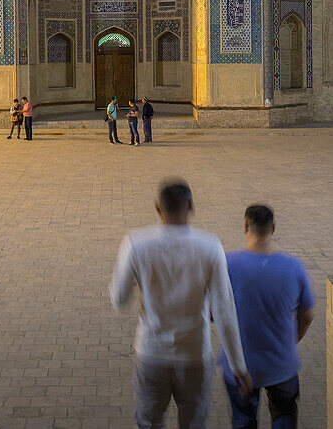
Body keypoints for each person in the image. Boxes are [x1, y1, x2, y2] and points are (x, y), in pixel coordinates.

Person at [110, 178, 250, 428]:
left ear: (157, 207)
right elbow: (224, 310)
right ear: (191, 207)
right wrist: (238, 366)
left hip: (151, 352)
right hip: (195, 353)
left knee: (149, 422)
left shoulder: (136, 242)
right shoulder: (210, 245)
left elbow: (119, 299)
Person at [220, 205, 314, 428]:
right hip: (282, 364)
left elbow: (214, 313)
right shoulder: (294, 267)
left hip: (240, 366)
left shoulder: (227, 264)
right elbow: (307, 315)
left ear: (245, 226)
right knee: (284, 417)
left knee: (243, 420)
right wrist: (290, 342)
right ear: (273, 228)